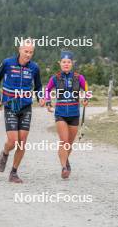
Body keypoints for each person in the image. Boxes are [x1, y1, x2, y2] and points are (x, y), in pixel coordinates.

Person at [0, 38, 45, 183]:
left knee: (22, 142)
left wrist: (40, 97)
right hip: (10, 105)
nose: (28, 54)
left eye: (31, 52)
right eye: (26, 51)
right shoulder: (7, 63)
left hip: (26, 106)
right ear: (19, 50)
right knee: (13, 141)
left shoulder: (34, 67)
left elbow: (38, 87)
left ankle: (13, 172)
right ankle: (5, 152)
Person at [45, 50, 89, 179]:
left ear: (72, 63)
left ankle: (65, 161)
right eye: (64, 62)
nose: (66, 64)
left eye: (68, 62)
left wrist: (86, 98)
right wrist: (48, 102)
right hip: (60, 114)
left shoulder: (79, 77)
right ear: (60, 63)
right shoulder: (55, 78)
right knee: (64, 141)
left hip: (74, 114)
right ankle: (65, 167)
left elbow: (86, 89)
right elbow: (47, 90)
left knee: (69, 143)